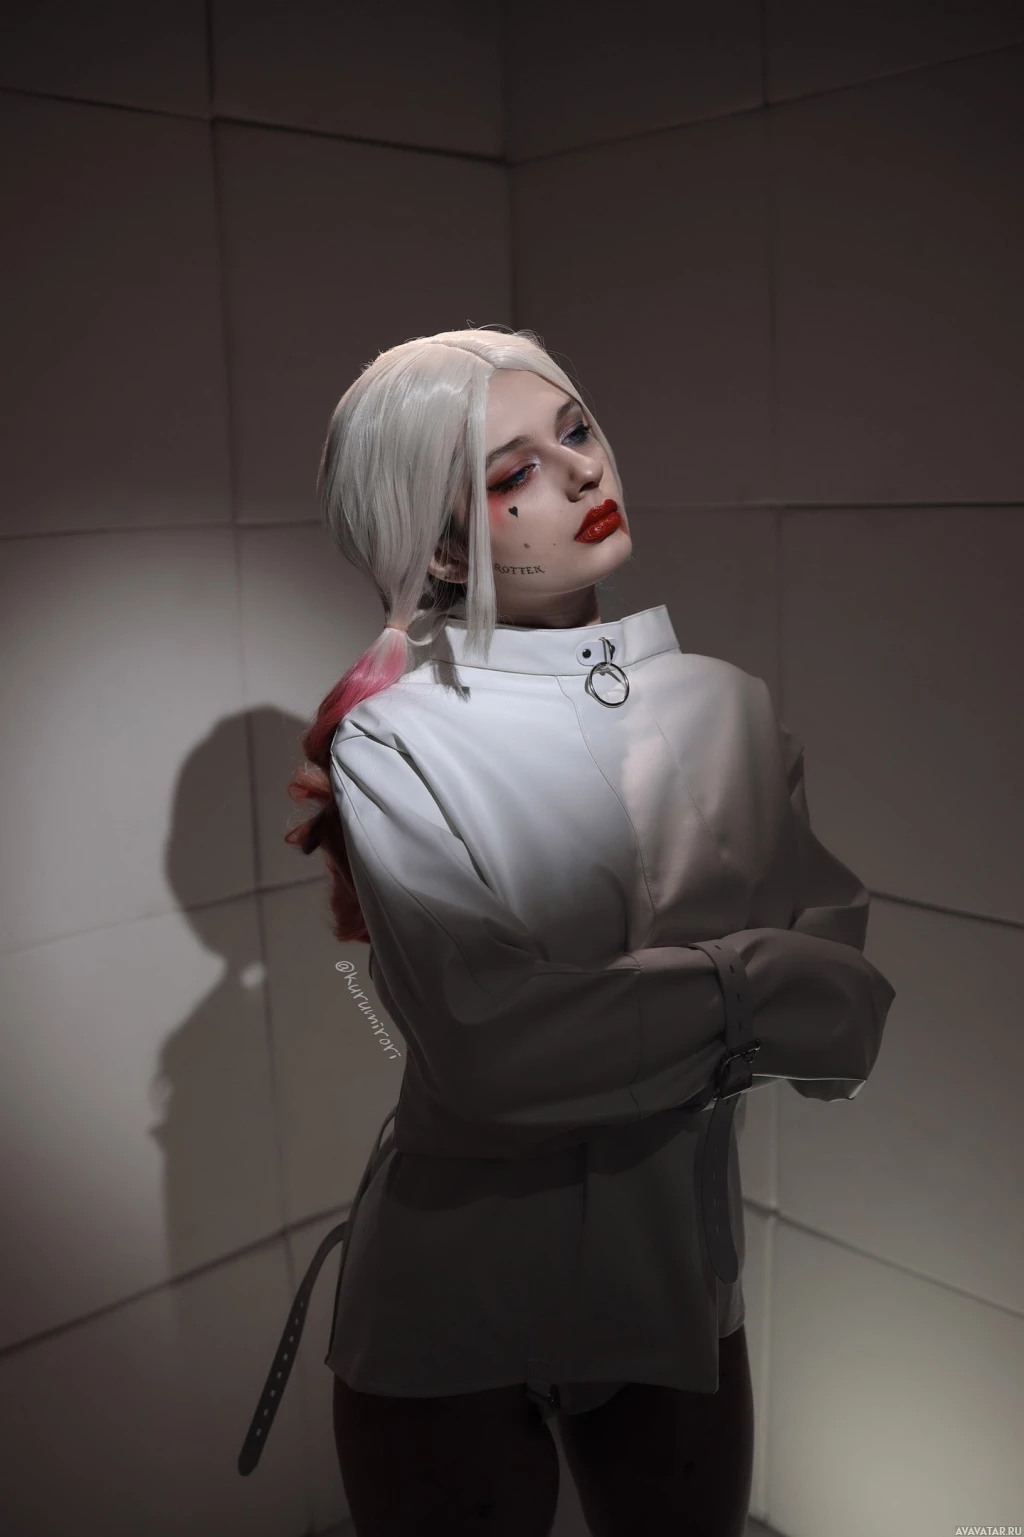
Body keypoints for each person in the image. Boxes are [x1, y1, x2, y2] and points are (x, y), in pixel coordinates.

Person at [238, 326, 897, 1536]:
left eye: (576, 430)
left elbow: (844, 1029)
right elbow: (493, 1052)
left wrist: (606, 1015)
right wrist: (751, 991)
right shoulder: (395, 740)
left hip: (674, 1282)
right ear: (441, 543)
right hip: (449, 1291)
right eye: (515, 472)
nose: (584, 470)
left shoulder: (732, 710)